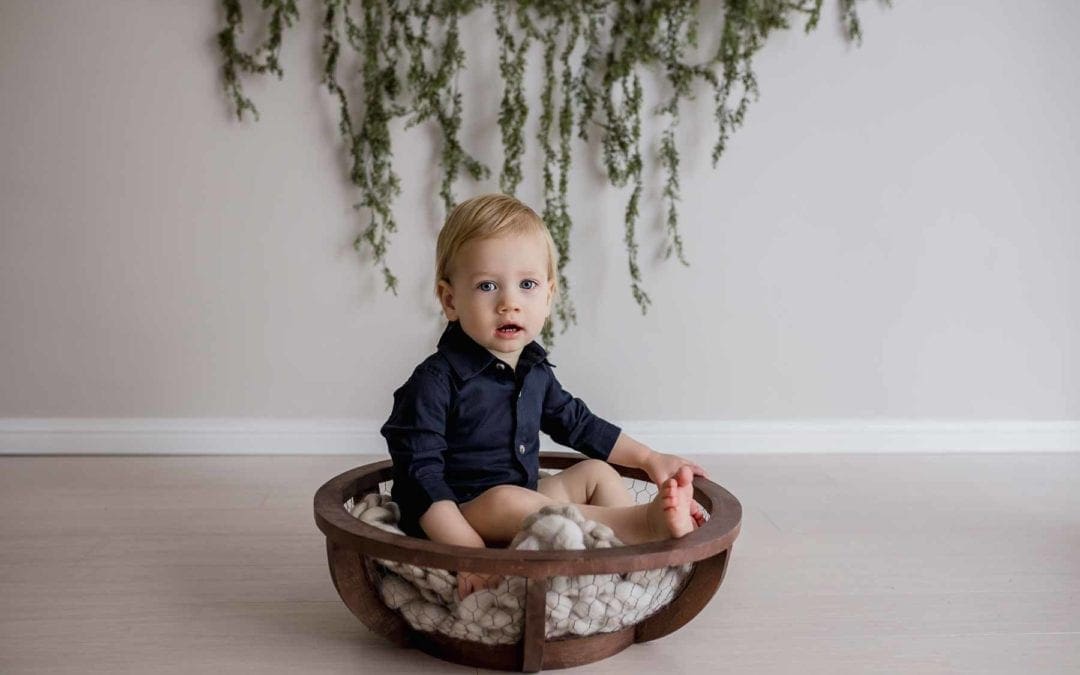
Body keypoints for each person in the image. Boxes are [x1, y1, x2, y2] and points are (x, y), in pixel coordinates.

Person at [381, 193, 706, 598]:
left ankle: (630, 552)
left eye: (528, 285)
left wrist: (649, 458)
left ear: (549, 296)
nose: (509, 303)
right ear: (450, 300)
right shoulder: (433, 382)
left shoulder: (532, 369)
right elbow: (420, 478)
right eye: (487, 286)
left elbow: (578, 423)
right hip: (458, 516)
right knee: (506, 499)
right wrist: (469, 554)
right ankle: (641, 524)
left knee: (595, 473)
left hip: (524, 497)